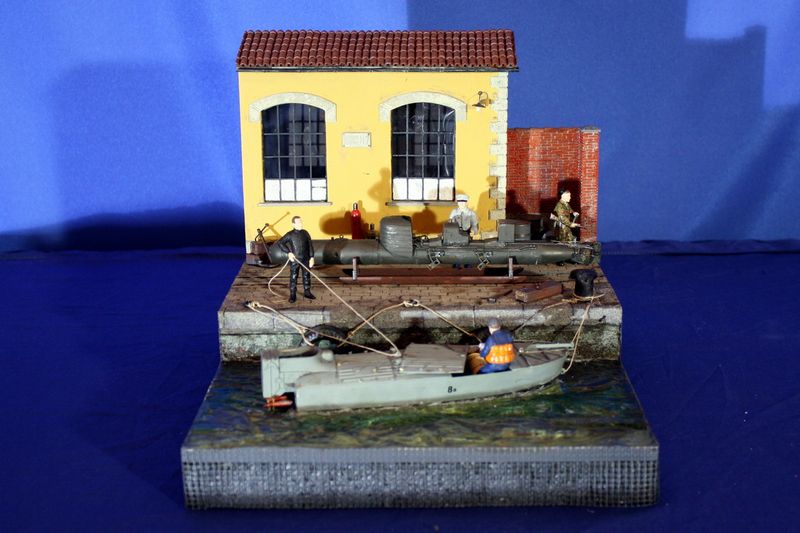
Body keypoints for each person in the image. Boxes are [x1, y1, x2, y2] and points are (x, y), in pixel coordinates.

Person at [276, 216, 316, 303]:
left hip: (305, 258)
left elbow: (310, 245)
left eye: (301, 222)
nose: (300, 224)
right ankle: (292, 294)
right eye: (298, 222)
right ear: (293, 224)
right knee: (293, 276)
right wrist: (288, 252)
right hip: (295, 259)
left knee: (306, 275)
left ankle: (307, 291)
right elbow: (280, 242)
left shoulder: (305, 233)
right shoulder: (290, 234)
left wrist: (312, 257)